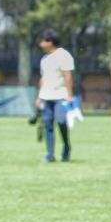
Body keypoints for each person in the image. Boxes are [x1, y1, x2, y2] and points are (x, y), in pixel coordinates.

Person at [34, 28, 75, 162]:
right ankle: (50, 155)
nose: (40, 43)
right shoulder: (44, 59)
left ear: (50, 42)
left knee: (61, 121)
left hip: (60, 95)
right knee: (48, 125)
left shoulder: (63, 55)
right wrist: (39, 96)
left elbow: (67, 76)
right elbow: (43, 78)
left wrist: (69, 95)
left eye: (43, 40)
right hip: (47, 96)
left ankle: (66, 147)